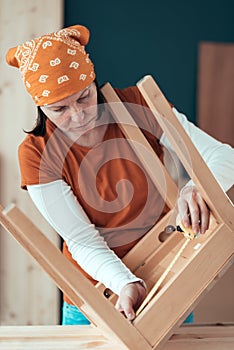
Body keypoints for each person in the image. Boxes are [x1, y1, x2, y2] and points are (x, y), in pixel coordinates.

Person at [6, 24, 234, 325]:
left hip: (169, 277)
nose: (77, 116)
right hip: (96, 296)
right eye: (58, 109)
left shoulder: (139, 104)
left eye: (84, 97)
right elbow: (81, 239)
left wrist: (198, 187)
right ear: (40, 107)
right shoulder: (36, 153)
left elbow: (224, 157)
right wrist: (126, 284)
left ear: (93, 81)